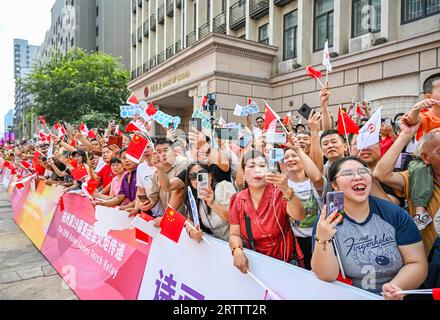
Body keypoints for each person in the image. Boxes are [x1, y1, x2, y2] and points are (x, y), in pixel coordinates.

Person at [312, 156, 427, 299]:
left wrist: (395, 288)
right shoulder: (327, 221)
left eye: (363, 171)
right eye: (348, 173)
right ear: (335, 185)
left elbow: (417, 263)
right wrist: (323, 238)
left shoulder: (393, 213)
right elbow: (327, 275)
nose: (358, 177)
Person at [229, 150, 306, 274]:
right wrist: (237, 250)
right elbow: (234, 234)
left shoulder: (280, 192)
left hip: (285, 263)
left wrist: (286, 190)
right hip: (255, 264)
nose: (257, 171)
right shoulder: (237, 199)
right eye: (251, 166)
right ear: (243, 172)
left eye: (262, 166)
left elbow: (300, 216)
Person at [374, 119, 440, 255]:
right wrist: (406, 134)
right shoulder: (417, 178)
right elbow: (381, 174)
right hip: (433, 266)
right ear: (426, 157)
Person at [284, 134, 326, 270]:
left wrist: (298, 149)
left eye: (294, 156)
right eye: (286, 157)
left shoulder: (313, 183)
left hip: (317, 240)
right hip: (294, 242)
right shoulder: (283, 185)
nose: (290, 159)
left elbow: (318, 178)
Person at [184, 163, 235, 242]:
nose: (198, 179)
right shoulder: (196, 199)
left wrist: (212, 203)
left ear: (210, 176)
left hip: (240, 245)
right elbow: (190, 221)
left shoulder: (223, 187)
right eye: (192, 176)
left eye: (201, 174)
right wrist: (191, 232)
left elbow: (234, 218)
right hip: (219, 247)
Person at [349, 135, 402, 206]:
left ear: (380, 146)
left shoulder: (392, 175)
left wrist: (368, 176)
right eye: (358, 143)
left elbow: (392, 208)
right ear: (349, 148)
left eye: (370, 142)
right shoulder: (341, 176)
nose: (364, 147)